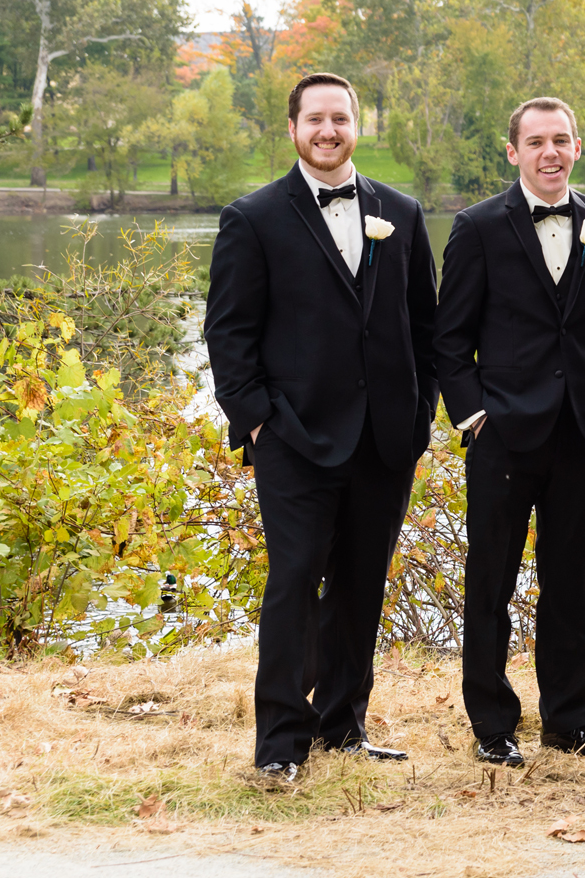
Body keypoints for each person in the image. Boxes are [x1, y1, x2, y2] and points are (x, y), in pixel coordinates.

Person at [205, 72, 438, 786]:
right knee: (295, 580)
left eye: (340, 118)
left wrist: (419, 419)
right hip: (294, 439)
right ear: (293, 128)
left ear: (357, 125)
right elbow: (228, 334)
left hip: (383, 440)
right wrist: (259, 424)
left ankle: (344, 724)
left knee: (362, 584)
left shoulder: (400, 210)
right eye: (316, 119)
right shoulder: (254, 217)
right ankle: (280, 740)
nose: (328, 130)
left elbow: (424, 328)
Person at [432, 97, 585, 769]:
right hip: (503, 434)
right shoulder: (477, 226)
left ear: (577, 147)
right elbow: (450, 339)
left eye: (562, 140)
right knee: (490, 580)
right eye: (537, 141)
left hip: (581, 430)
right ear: (513, 151)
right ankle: (493, 723)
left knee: (570, 580)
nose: (551, 152)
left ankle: (570, 720)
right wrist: (475, 415)